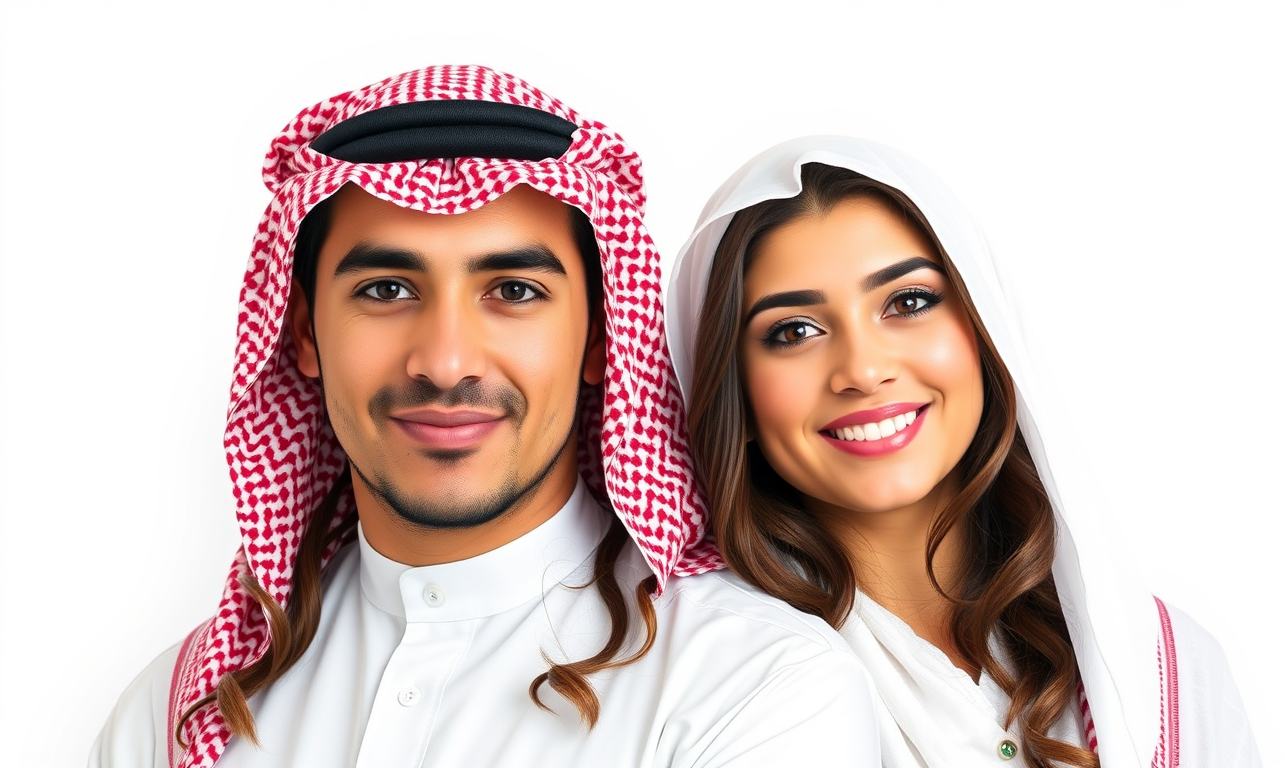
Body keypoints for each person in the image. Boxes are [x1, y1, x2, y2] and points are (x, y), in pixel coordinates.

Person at [90, 69, 879, 768]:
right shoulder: (178, 713)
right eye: (387, 290)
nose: (445, 360)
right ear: (301, 334)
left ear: (603, 338)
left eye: (513, 291)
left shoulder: (750, 686)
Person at [664, 136, 1261, 768]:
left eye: (908, 302)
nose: (863, 370)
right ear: (735, 395)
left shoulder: (1168, 667)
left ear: (983, 332)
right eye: (795, 332)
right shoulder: (710, 674)